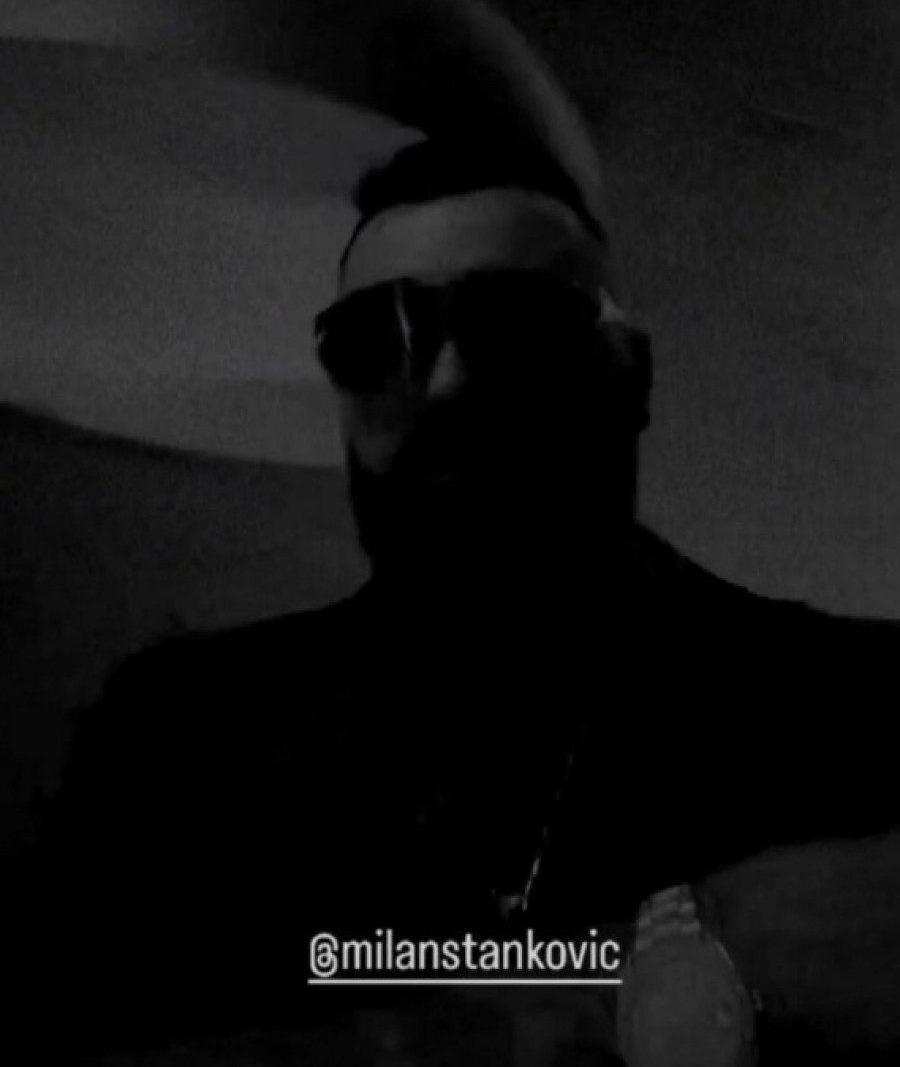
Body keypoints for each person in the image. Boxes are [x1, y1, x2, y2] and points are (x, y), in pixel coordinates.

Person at [11, 138, 900, 1065]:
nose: (442, 386)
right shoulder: (178, 741)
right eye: (372, 342)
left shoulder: (858, 720)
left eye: (517, 326)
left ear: (630, 375)